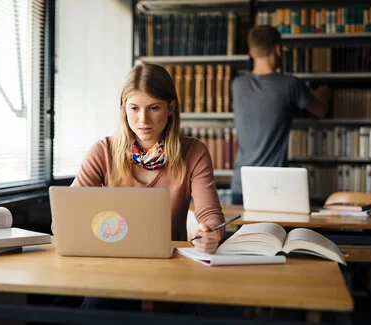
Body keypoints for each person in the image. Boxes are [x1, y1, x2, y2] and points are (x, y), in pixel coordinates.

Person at [72, 63, 226, 310]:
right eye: (134, 108)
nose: (143, 120)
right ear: (124, 109)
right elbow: (68, 213)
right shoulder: (103, 151)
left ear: (171, 108)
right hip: (113, 267)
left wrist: (211, 233)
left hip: (172, 267)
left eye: (153, 108)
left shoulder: (194, 151)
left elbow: (210, 214)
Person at [230, 25, 330, 205]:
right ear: (278, 49)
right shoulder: (291, 85)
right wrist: (322, 95)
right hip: (273, 188)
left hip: (241, 185)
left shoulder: (237, 85)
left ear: (251, 52)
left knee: (244, 235)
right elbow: (321, 110)